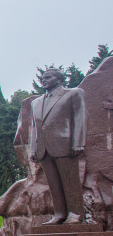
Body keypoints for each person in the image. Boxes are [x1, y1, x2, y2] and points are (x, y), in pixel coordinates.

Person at [29, 67, 86, 224]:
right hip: (43, 149)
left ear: (59, 79)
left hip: (64, 145)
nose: (44, 79)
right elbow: (34, 127)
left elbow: (79, 119)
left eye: (48, 77)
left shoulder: (73, 94)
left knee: (70, 182)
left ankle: (76, 214)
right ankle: (60, 213)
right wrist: (33, 148)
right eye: (43, 77)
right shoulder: (36, 102)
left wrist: (78, 143)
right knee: (54, 183)